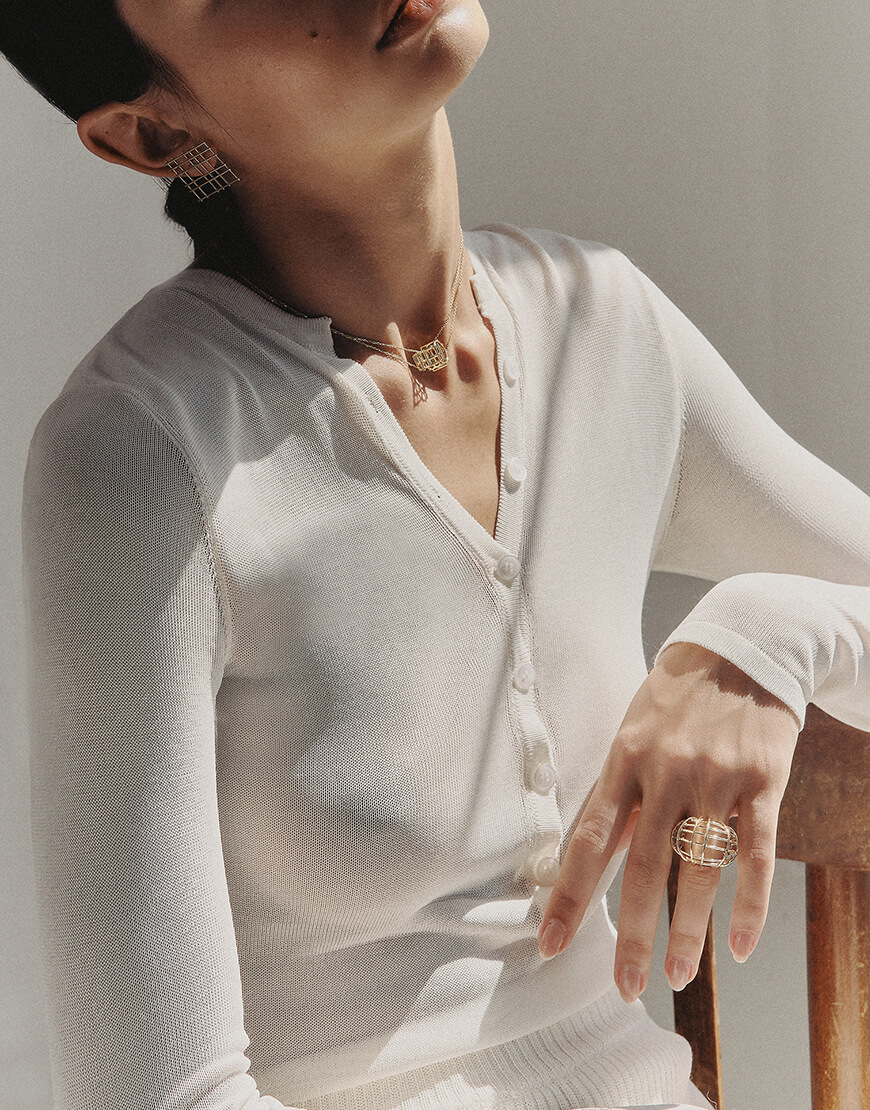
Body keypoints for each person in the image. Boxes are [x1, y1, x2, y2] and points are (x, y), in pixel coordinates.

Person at [7, 2, 870, 1108]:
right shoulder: (143, 450)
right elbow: (153, 1096)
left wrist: (768, 639)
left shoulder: (601, 324)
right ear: (153, 133)